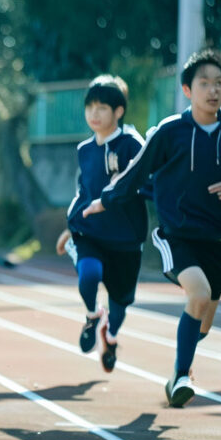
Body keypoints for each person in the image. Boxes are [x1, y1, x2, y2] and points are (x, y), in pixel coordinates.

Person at [84, 48, 221, 407]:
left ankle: (185, 360)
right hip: (178, 236)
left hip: (220, 242)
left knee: (202, 321)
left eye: (219, 83)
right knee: (198, 294)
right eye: (204, 83)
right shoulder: (170, 132)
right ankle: (180, 376)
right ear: (188, 90)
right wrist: (106, 199)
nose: (213, 90)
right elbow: (136, 172)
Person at [56, 75, 147, 372]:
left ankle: (111, 334)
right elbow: (83, 192)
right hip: (90, 232)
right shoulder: (84, 150)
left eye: (102, 107)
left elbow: (147, 184)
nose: (94, 113)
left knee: (120, 304)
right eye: (90, 107)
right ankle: (93, 315)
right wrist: (71, 226)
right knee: (89, 274)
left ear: (118, 111)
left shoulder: (133, 145)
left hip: (125, 238)